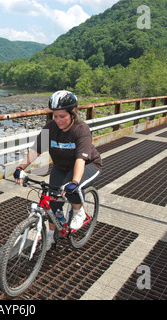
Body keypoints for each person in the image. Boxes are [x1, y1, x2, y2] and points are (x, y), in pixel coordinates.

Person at [13, 90, 102, 250]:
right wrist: (20, 168)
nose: (58, 120)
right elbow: (35, 150)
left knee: (71, 190)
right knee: (52, 203)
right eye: (55, 116)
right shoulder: (51, 128)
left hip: (89, 165)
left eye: (63, 116)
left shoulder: (81, 130)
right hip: (60, 168)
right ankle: (51, 237)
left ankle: (79, 212)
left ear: (72, 114)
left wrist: (74, 182)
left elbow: (80, 160)